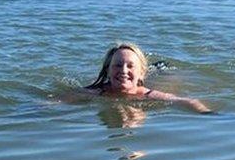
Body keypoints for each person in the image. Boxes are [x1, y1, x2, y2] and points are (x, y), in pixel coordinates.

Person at [85, 42, 213, 114]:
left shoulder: (148, 95)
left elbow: (186, 101)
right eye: (118, 65)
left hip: (155, 77)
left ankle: (158, 68)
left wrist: (209, 114)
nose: (123, 70)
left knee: (163, 75)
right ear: (108, 71)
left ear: (141, 73)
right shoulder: (97, 92)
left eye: (130, 66)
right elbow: (67, 98)